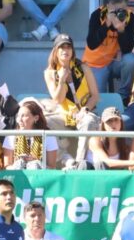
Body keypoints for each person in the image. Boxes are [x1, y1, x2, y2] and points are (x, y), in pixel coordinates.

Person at [43, 33, 100, 167]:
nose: (65, 50)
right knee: (45, 122)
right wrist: (62, 79)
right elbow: (57, 99)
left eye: (68, 47)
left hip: (84, 114)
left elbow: (95, 95)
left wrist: (86, 109)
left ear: (72, 51)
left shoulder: (83, 68)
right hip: (65, 116)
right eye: (61, 47)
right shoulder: (49, 73)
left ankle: (79, 163)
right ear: (55, 51)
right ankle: (66, 159)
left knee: (89, 121)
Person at [83, 0, 134, 103]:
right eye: (115, 10)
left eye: (122, 9)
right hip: (95, 63)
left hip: (114, 62)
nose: (118, 13)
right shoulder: (97, 15)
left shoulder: (130, 18)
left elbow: (128, 49)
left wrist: (121, 30)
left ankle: (123, 97)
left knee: (131, 60)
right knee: (99, 100)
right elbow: (92, 44)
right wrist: (106, 24)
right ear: (107, 6)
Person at [3, 100, 60, 169]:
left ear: (36, 118)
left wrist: (37, 162)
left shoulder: (48, 136)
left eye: (24, 116)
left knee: (34, 165)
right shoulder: (11, 136)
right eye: (18, 116)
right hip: (18, 174)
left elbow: (52, 167)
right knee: (19, 164)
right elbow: (7, 166)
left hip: (39, 175)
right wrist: (20, 163)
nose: (19, 120)